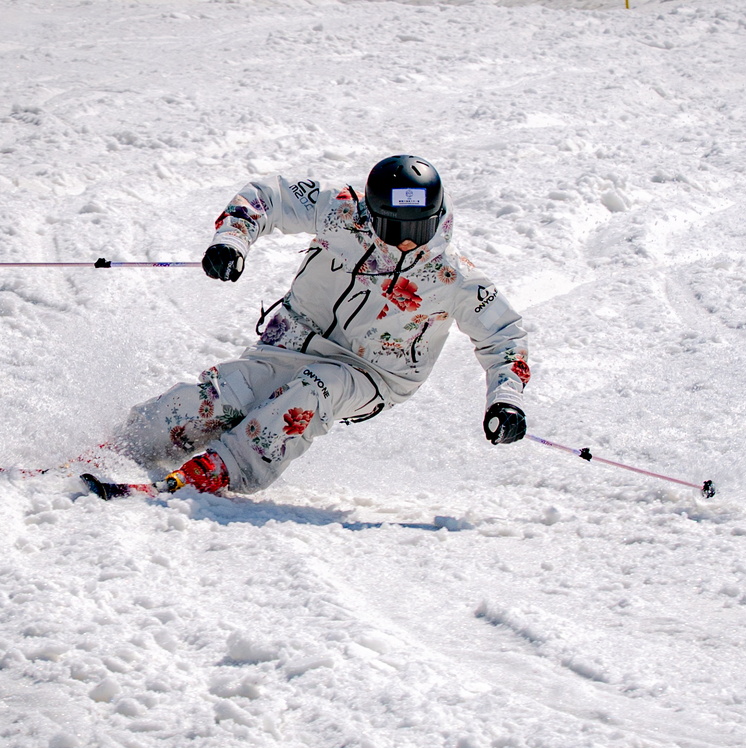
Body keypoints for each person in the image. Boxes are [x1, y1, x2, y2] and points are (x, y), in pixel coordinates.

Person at [119, 154, 531, 495]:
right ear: (372, 211)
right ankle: (130, 442)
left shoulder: (450, 275)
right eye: (395, 227)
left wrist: (506, 399)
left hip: (374, 374)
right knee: (221, 397)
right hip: (291, 341)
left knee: (315, 388)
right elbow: (270, 196)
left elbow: (504, 335)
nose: (407, 241)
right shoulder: (343, 211)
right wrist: (232, 240)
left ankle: (224, 468)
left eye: (419, 227)